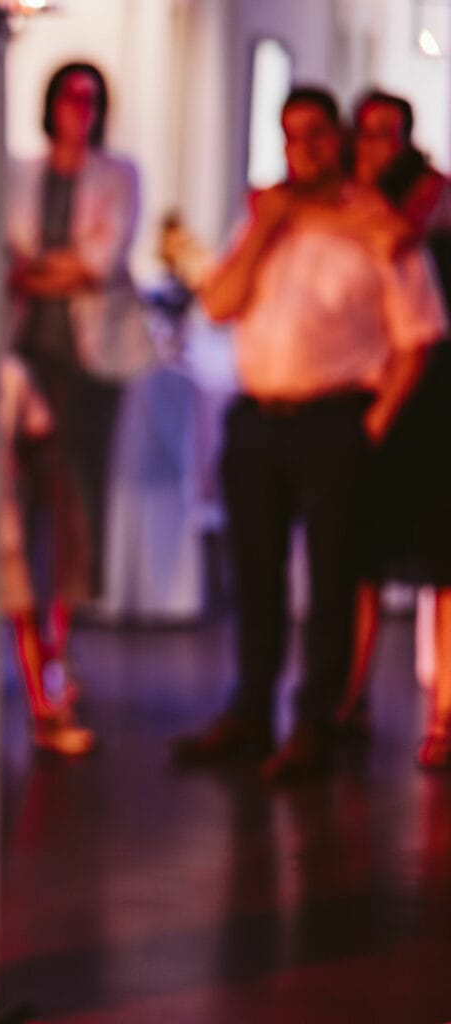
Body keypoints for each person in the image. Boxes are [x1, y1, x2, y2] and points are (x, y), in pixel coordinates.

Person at [172, 86, 446, 781]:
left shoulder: (378, 223)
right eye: (291, 136)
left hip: (335, 419)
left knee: (330, 579)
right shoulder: (267, 218)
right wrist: (270, 224)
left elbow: (420, 335)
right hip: (260, 418)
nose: (305, 149)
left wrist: (373, 422)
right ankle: (251, 710)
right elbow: (219, 302)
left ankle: (316, 721)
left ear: (340, 139)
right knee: (254, 575)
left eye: (318, 134)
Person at [5, 62, 151, 609]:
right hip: (26, 348)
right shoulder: (23, 171)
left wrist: (39, 270)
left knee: (79, 494)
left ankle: (67, 623)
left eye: (90, 101)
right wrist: (46, 269)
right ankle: (25, 616)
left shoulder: (118, 175)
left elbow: (98, 263)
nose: (79, 111)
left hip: (90, 358)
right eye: (70, 98)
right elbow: (9, 258)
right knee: (22, 492)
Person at [334, 90, 451, 766]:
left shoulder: (429, 196)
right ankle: (347, 697)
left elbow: (398, 235)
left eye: (389, 133)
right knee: (359, 555)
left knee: (440, 560)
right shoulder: (346, 201)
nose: (378, 144)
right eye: (368, 132)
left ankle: (442, 715)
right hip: (369, 390)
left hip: (434, 398)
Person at [0, 354, 97, 756]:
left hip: (2, 517)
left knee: (25, 615)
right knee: (25, 618)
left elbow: (41, 436)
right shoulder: (10, 374)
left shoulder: (9, 374)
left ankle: (46, 714)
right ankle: (46, 713)